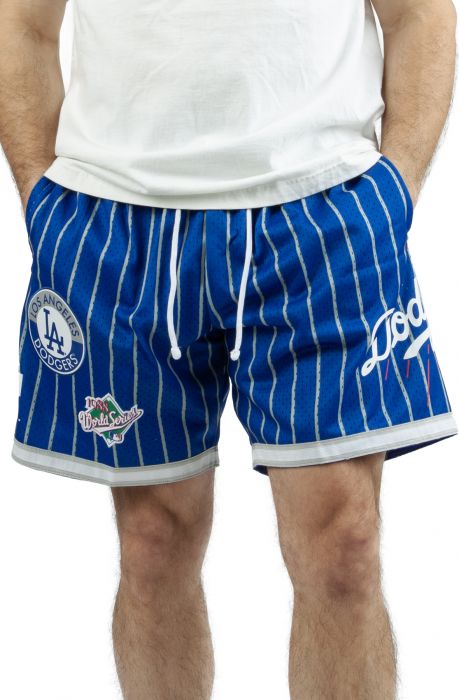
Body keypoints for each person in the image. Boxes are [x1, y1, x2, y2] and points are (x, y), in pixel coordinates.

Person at [0, 0, 457, 697]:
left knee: (343, 545)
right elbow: (22, 21)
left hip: (322, 213)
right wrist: (41, 200)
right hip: (123, 220)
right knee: (153, 543)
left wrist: (395, 192)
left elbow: (418, 14)